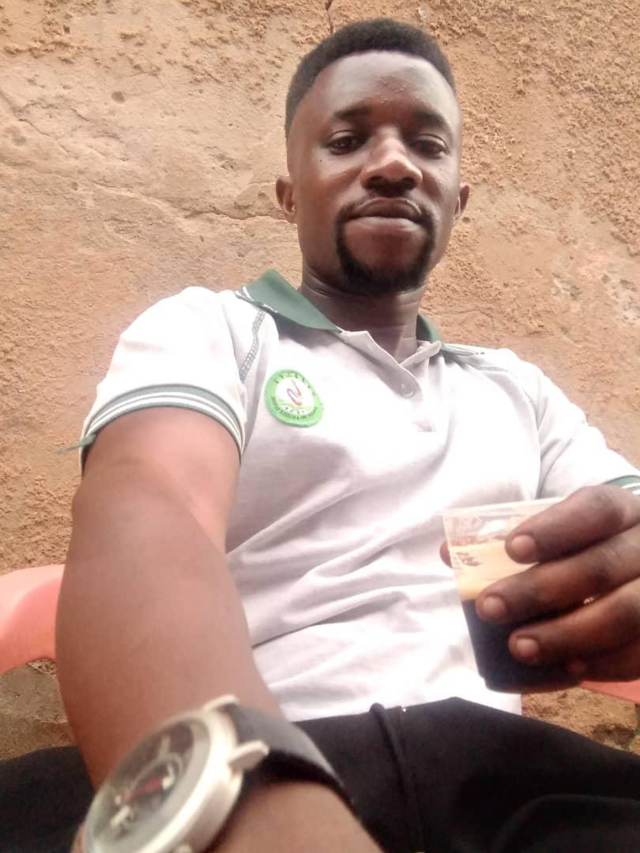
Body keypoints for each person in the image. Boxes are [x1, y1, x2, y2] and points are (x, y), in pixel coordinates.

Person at [2, 16, 640, 853]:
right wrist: (241, 795)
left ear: (457, 199)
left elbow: (625, 519)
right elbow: (147, 512)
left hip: (498, 783)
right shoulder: (212, 332)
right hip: (261, 736)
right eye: (346, 141)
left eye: (428, 145)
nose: (393, 164)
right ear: (289, 192)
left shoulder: (517, 392)